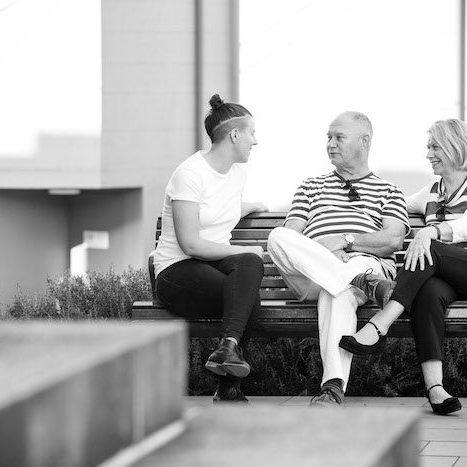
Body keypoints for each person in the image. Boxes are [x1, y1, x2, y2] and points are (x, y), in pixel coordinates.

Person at [267, 111, 409, 407]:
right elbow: (291, 236)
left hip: (363, 262)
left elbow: (393, 239)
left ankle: (332, 387)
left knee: (339, 290)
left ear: (364, 141)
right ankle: (360, 282)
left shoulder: (389, 191)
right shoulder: (310, 186)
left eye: (338, 137)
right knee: (276, 237)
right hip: (310, 276)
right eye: (328, 137)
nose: (330, 143)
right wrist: (320, 251)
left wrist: (346, 241)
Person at [340, 118, 467, 415]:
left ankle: (379, 324)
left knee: (429, 248)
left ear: (453, 146)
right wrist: (353, 221)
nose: (428, 154)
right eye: (428, 147)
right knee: (427, 292)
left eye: (434, 146)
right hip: (449, 277)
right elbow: (395, 206)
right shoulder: (433, 191)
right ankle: (436, 388)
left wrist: (432, 231)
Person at [153, 94, 267, 403]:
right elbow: (190, 244)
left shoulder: (237, 174)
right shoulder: (189, 174)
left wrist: (252, 207)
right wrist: (247, 250)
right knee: (248, 293)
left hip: (209, 268)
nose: (255, 141)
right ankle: (228, 385)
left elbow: (219, 206)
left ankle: (227, 348)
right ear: (234, 134)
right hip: (176, 272)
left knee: (248, 272)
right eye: (251, 133)